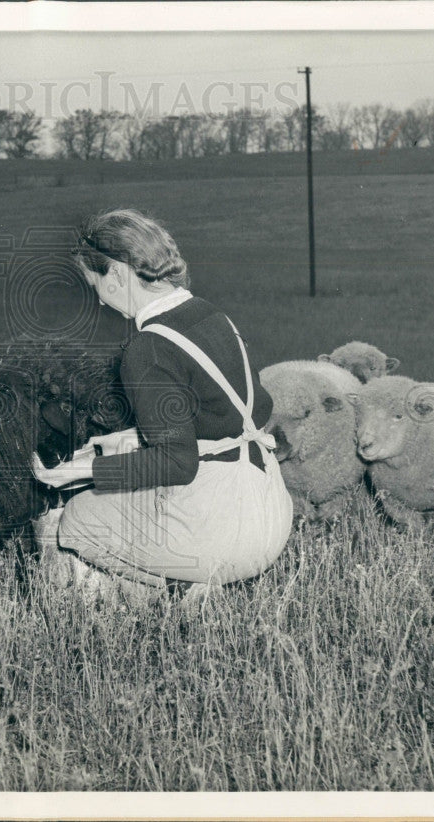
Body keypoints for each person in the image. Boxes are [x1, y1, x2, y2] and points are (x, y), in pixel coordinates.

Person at [31, 208, 293, 593]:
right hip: (270, 510)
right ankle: (192, 582)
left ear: (118, 274)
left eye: (96, 286)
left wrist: (74, 473)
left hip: (227, 532)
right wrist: (122, 443)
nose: (101, 302)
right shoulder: (211, 316)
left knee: (78, 519)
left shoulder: (147, 349)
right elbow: (236, 412)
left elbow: (177, 463)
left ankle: (187, 587)